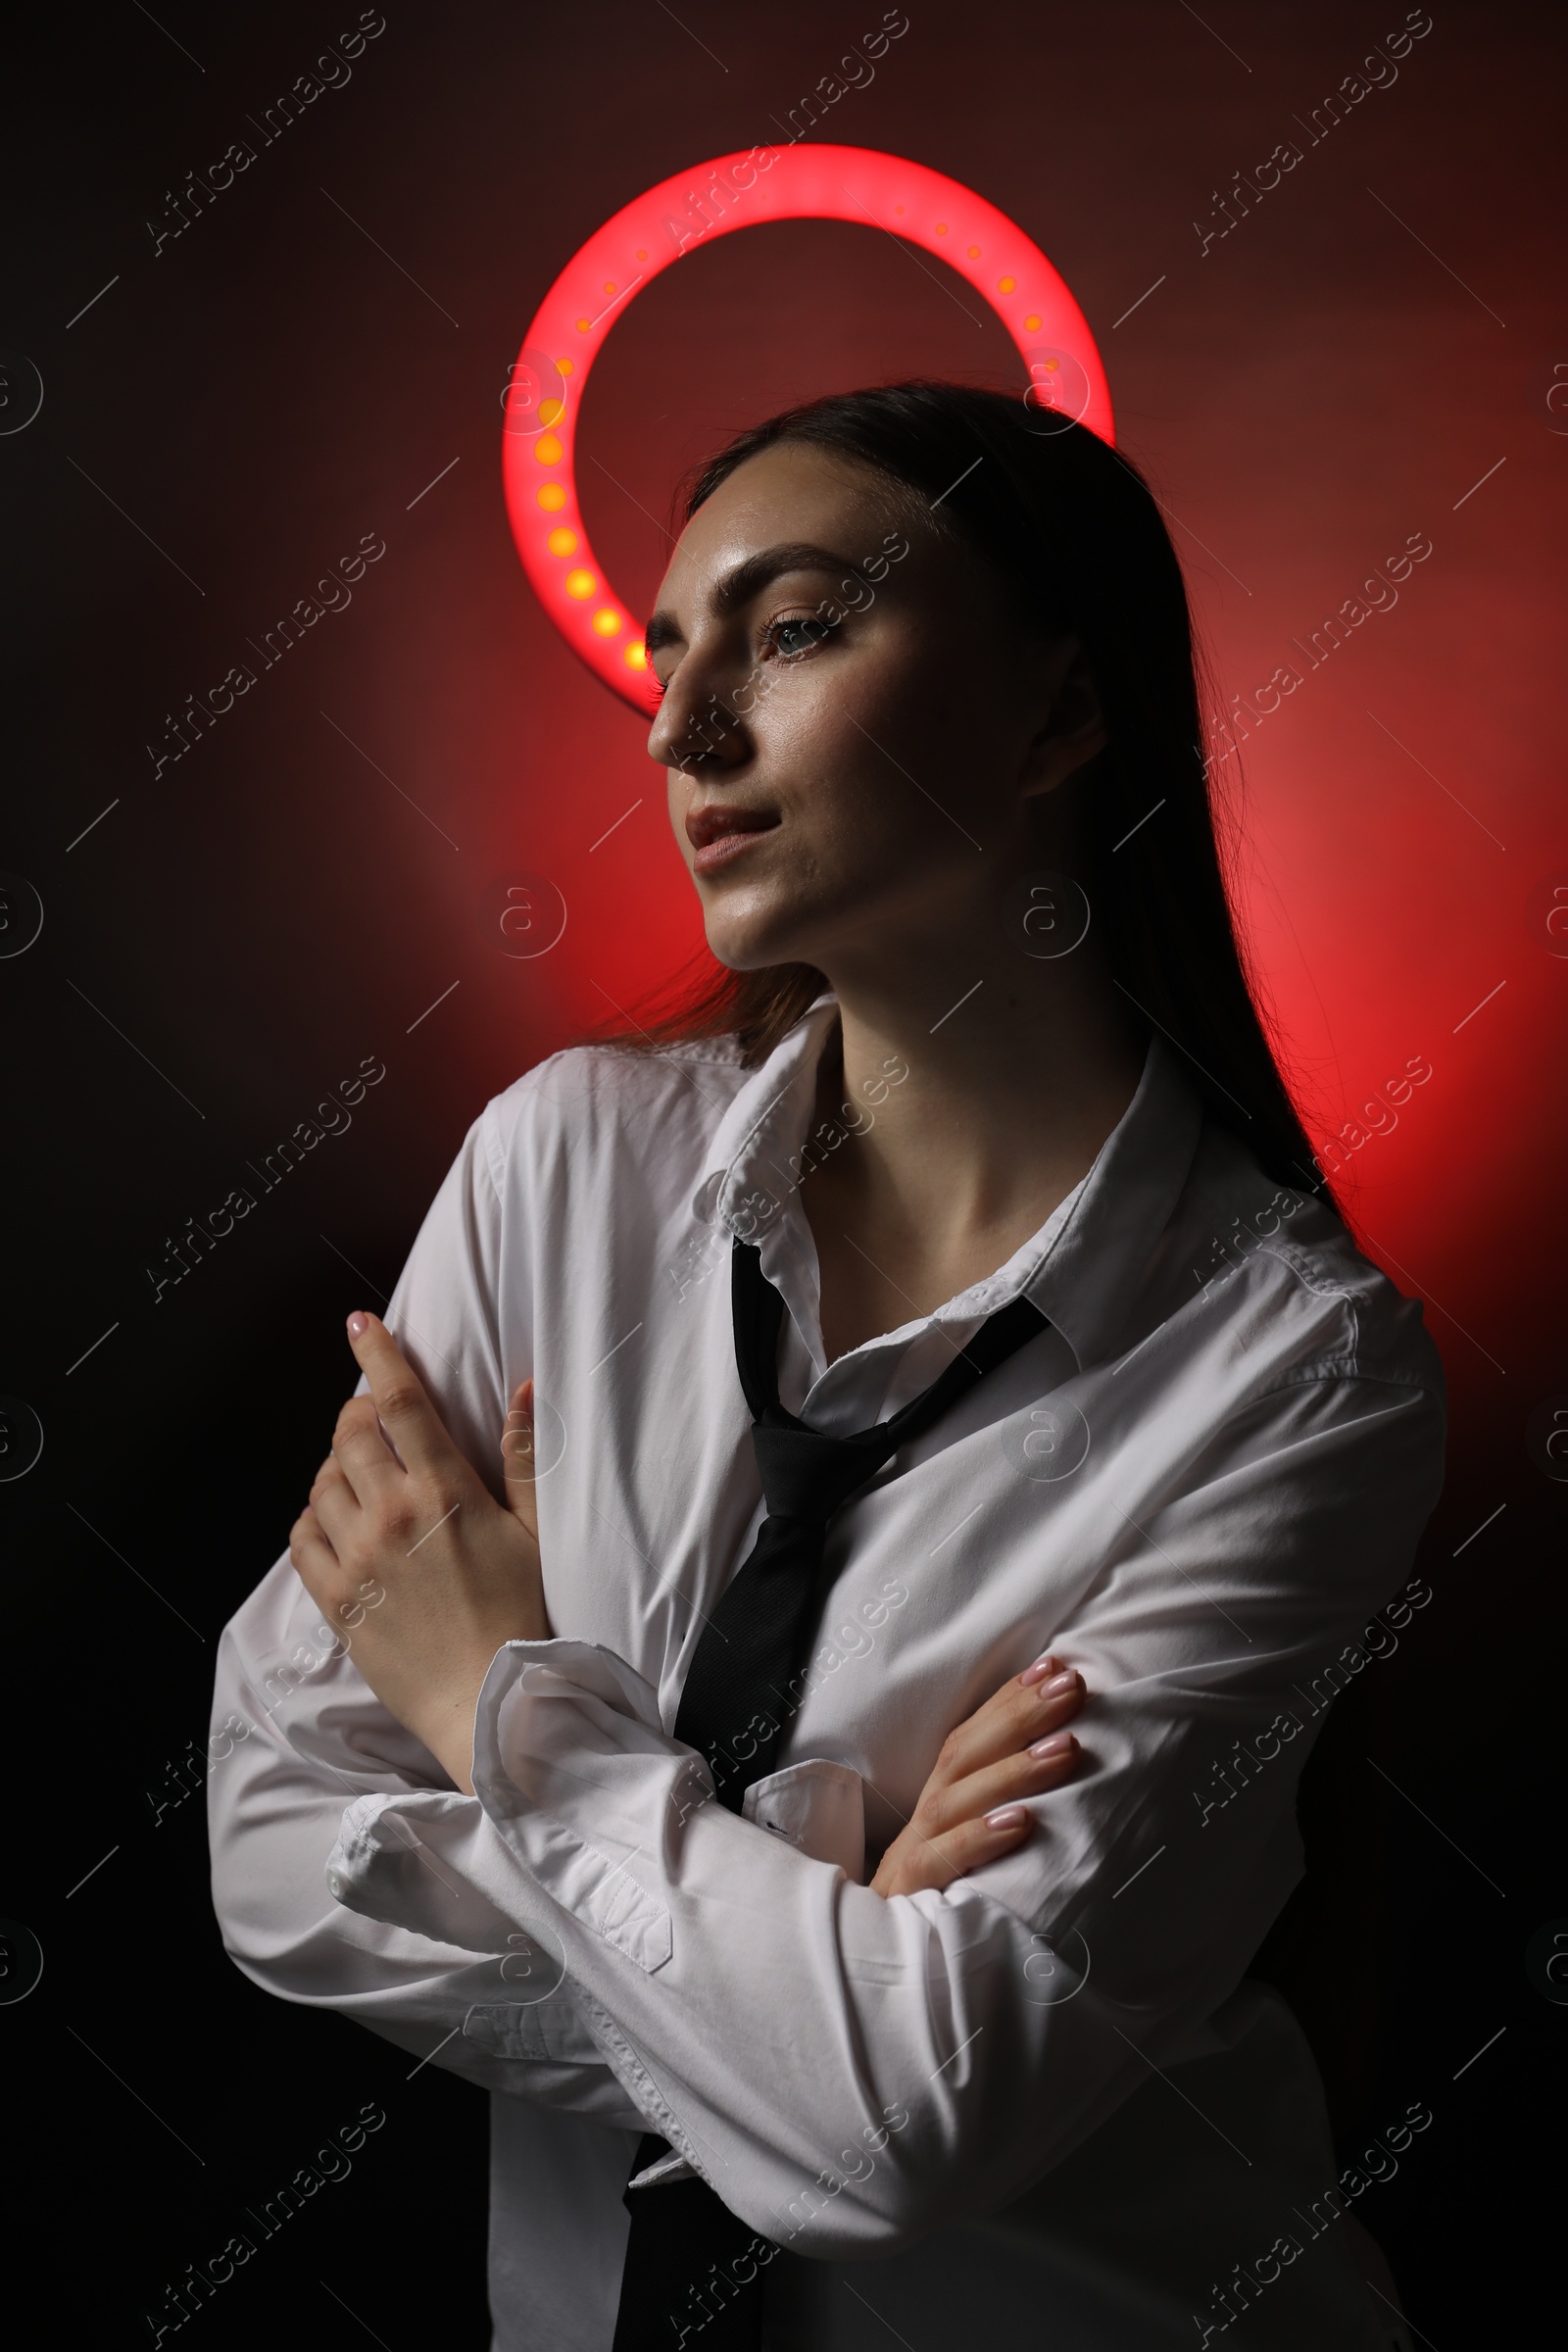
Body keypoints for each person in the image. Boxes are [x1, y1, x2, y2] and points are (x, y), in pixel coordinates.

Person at [208, 383, 1444, 2350]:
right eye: (672, 645)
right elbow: (276, 1851)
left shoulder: (1298, 1374)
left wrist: (488, 1707)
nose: (679, 727)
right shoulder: (562, 1172)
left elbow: (910, 2131)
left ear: (1055, 716)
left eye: (787, 632)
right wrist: (822, 1931)